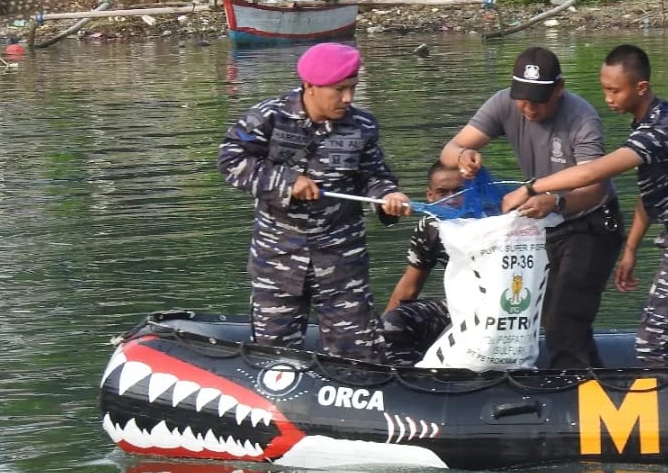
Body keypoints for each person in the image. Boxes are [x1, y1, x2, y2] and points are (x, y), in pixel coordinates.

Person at [510, 44, 668, 368]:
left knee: (652, 344)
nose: (607, 98)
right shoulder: (646, 123)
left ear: (640, 88)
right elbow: (650, 192)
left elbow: (592, 171)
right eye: (604, 89)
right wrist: (630, 248)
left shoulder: (661, 127)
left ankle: (660, 412)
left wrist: (531, 187)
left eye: (615, 90)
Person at [217, 42, 411, 359]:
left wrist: (388, 196)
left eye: (352, 88)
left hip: (342, 262)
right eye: (339, 90)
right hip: (278, 259)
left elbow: (373, 176)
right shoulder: (269, 118)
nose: (348, 98)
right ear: (310, 86)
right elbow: (230, 161)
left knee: (359, 357)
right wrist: (286, 182)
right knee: (273, 358)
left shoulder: (362, 126)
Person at [441, 46, 625, 369]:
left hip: (590, 221)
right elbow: (451, 148)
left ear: (560, 88)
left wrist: (556, 200)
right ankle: (575, 371)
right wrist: (462, 158)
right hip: (545, 225)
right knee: (544, 313)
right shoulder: (504, 104)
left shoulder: (582, 119)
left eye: (538, 99)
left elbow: (594, 188)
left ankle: (575, 391)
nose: (528, 108)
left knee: (565, 316)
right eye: (522, 98)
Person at [379, 161, 463, 365]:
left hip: (500, 311)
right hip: (457, 307)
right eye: (443, 192)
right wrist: (381, 329)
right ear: (430, 196)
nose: (451, 200)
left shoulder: (498, 221)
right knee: (394, 321)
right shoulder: (430, 226)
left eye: (459, 191)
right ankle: (409, 381)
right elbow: (410, 287)